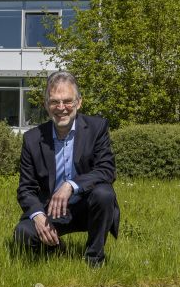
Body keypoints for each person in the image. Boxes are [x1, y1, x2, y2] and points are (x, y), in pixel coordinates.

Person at [14, 70, 119, 267]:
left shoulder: (97, 128)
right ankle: (56, 247)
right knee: (23, 234)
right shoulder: (32, 139)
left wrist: (70, 185)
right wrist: (38, 216)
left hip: (87, 206)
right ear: (46, 105)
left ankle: (94, 259)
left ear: (79, 102)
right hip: (51, 211)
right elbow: (25, 189)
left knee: (104, 193)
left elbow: (106, 170)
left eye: (68, 101)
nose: (61, 107)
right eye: (54, 102)